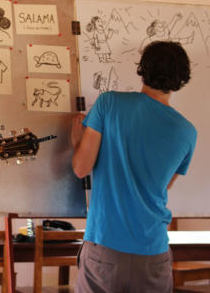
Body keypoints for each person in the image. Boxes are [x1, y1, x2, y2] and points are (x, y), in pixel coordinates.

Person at [71, 41, 197, 293]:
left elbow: (81, 169)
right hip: (154, 252)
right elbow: (162, 186)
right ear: (182, 78)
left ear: (143, 68)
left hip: (106, 247)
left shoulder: (109, 104)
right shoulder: (187, 132)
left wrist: (76, 141)